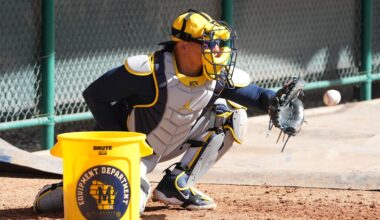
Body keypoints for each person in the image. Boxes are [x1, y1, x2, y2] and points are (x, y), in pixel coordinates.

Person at [33, 9, 276, 213]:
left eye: (220, 43)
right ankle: (69, 187)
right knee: (124, 207)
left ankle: (177, 185)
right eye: (210, 44)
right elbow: (95, 95)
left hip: (173, 142)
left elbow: (255, 95)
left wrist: (276, 101)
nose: (217, 51)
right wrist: (121, 145)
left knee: (233, 114)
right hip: (130, 153)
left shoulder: (216, 73)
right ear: (182, 45)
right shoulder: (149, 72)